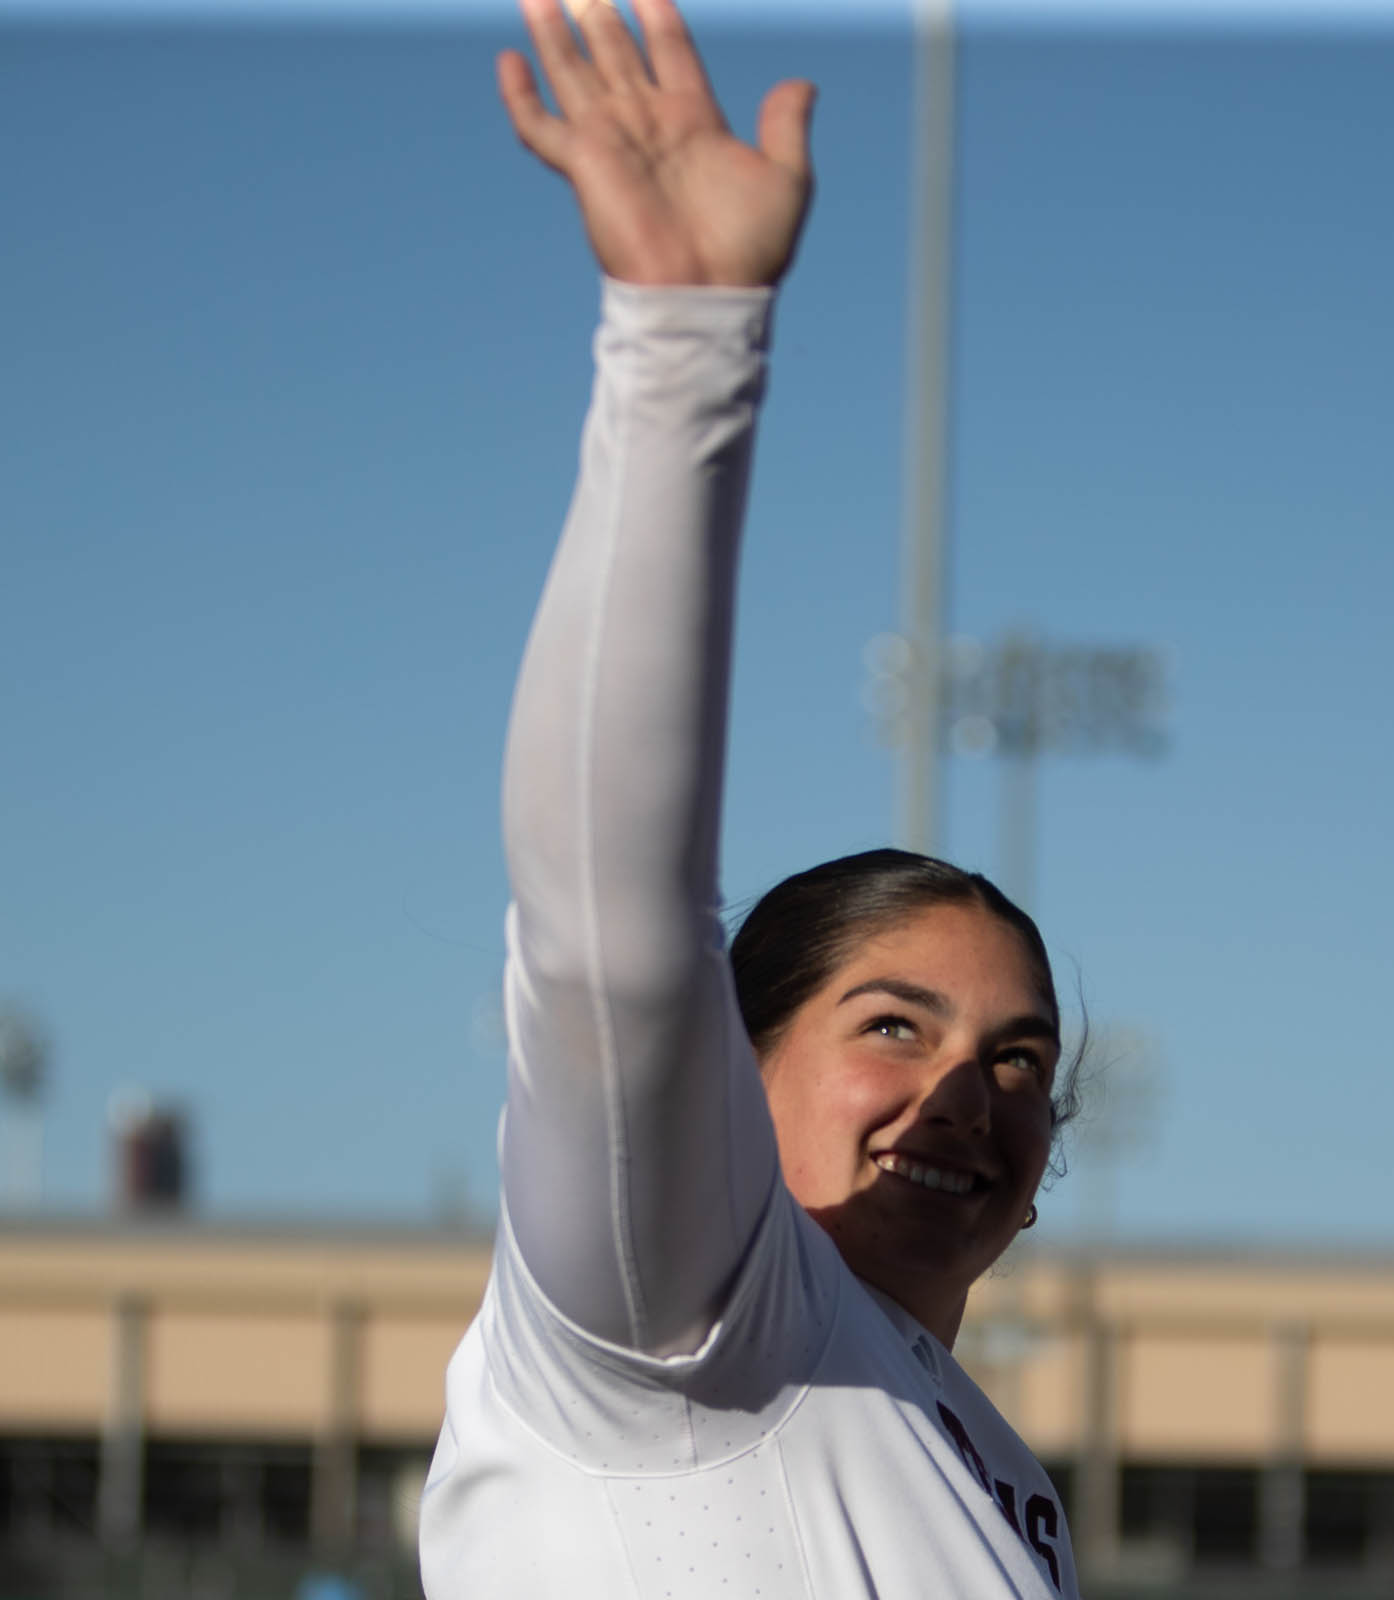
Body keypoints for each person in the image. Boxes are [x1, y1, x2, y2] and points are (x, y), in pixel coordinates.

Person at [417, 0, 1080, 1594]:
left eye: (1018, 1055)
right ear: (736, 1057)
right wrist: (682, 336)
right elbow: (610, 936)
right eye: (893, 1027)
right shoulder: (678, 1318)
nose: (965, 1096)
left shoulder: (1003, 1473)